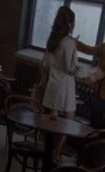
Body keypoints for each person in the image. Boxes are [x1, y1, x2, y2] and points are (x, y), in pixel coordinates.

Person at [42, 6, 78, 162]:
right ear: (70, 24)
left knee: (51, 121)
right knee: (67, 123)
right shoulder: (69, 42)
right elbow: (70, 68)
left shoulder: (52, 39)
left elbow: (46, 65)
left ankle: (48, 150)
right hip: (65, 87)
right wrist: (81, 70)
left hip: (52, 83)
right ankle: (56, 153)